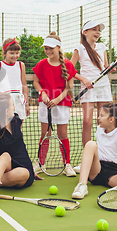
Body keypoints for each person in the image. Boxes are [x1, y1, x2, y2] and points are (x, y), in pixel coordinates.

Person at [32, 32, 81, 177]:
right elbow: (36, 82)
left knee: (62, 134)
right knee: (44, 134)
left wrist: (58, 99)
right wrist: (43, 93)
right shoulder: (41, 64)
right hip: (45, 104)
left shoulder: (68, 64)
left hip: (62, 104)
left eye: (50, 48)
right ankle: (41, 164)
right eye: (46, 48)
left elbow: (69, 87)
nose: (47, 51)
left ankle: (67, 165)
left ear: (58, 47)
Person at [70, 20, 114, 174]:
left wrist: (110, 69)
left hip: (103, 87)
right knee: (87, 122)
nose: (97, 32)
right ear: (85, 32)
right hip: (88, 88)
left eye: (99, 30)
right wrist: (84, 79)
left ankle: (104, 157)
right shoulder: (79, 48)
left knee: (103, 122)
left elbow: (106, 67)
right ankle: (86, 160)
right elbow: (70, 69)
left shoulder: (102, 47)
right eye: (94, 29)